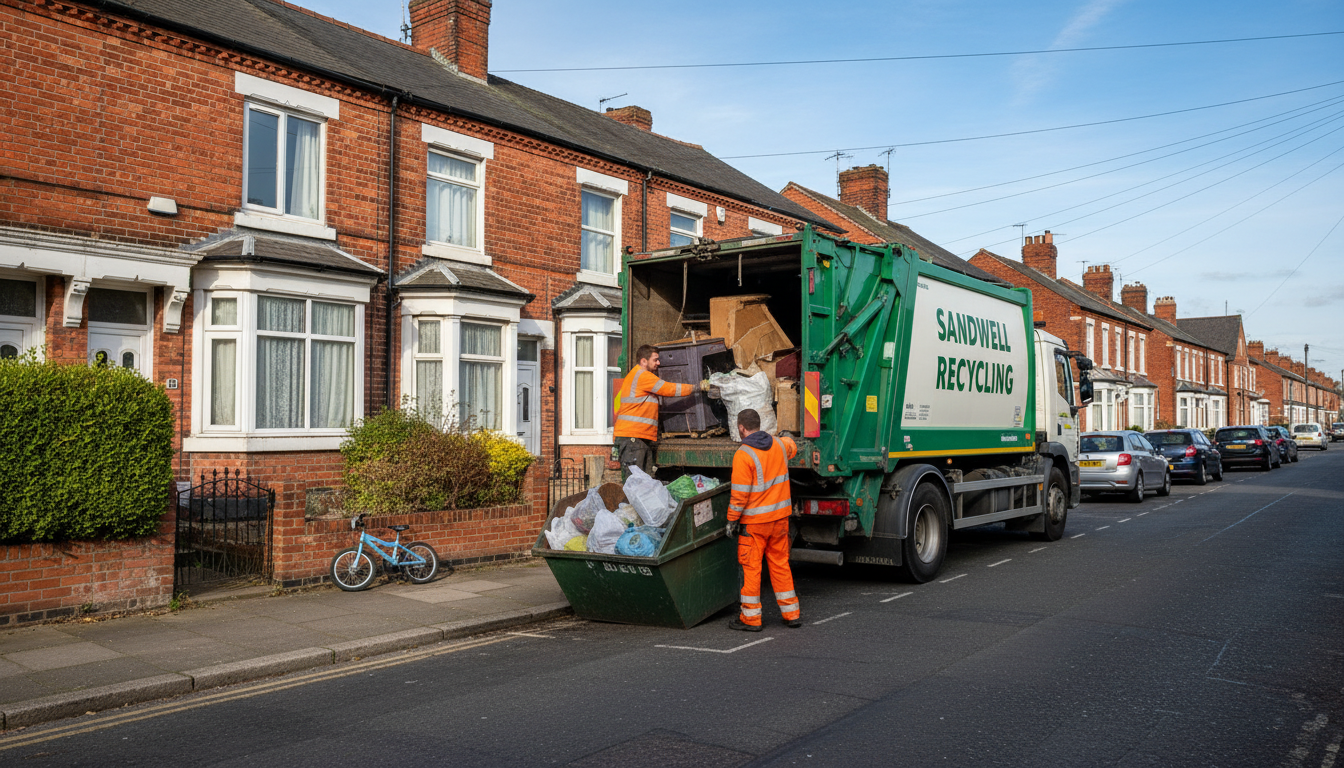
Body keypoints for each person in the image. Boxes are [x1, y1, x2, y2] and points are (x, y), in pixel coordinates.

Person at [726, 408, 800, 631]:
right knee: (780, 564)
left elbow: (739, 495)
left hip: (755, 524)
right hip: (780, 520)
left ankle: (751, 619)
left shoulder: (743, 455)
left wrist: (731, 521)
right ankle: (791, 614)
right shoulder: (778, 444)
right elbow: (792, 446)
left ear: (741, 428)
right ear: (759, 425)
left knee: (752, 568)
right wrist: (787, 435)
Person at [613, 344, 700, 478]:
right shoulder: (642, 375)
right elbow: (668, 389)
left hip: (635, 438)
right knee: (636, 484)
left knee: (642, 483)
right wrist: (695, 388)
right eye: (655, 359)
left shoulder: (635, 376)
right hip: (633, 438)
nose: (658, 363)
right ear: (643, 361)